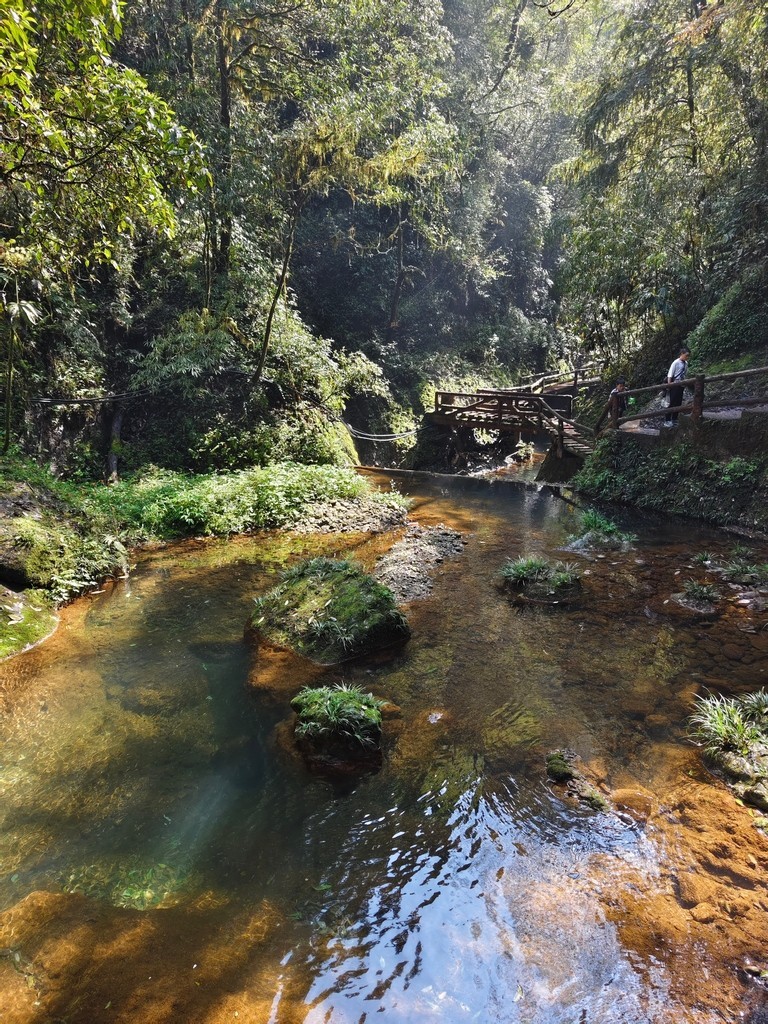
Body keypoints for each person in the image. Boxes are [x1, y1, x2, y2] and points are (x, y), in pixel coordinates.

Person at [665, 346, 690, 425]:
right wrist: (669, 385)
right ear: (682, 354)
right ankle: (667, 420)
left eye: (688, 356)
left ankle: (674, 419)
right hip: (674, 384)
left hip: (681, 385)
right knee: (672, 402)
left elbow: (685, 374)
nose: (687, 357)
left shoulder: (686, 363)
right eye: (686, 355)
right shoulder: (676, 362)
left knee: (678, 403)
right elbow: (670, 374)